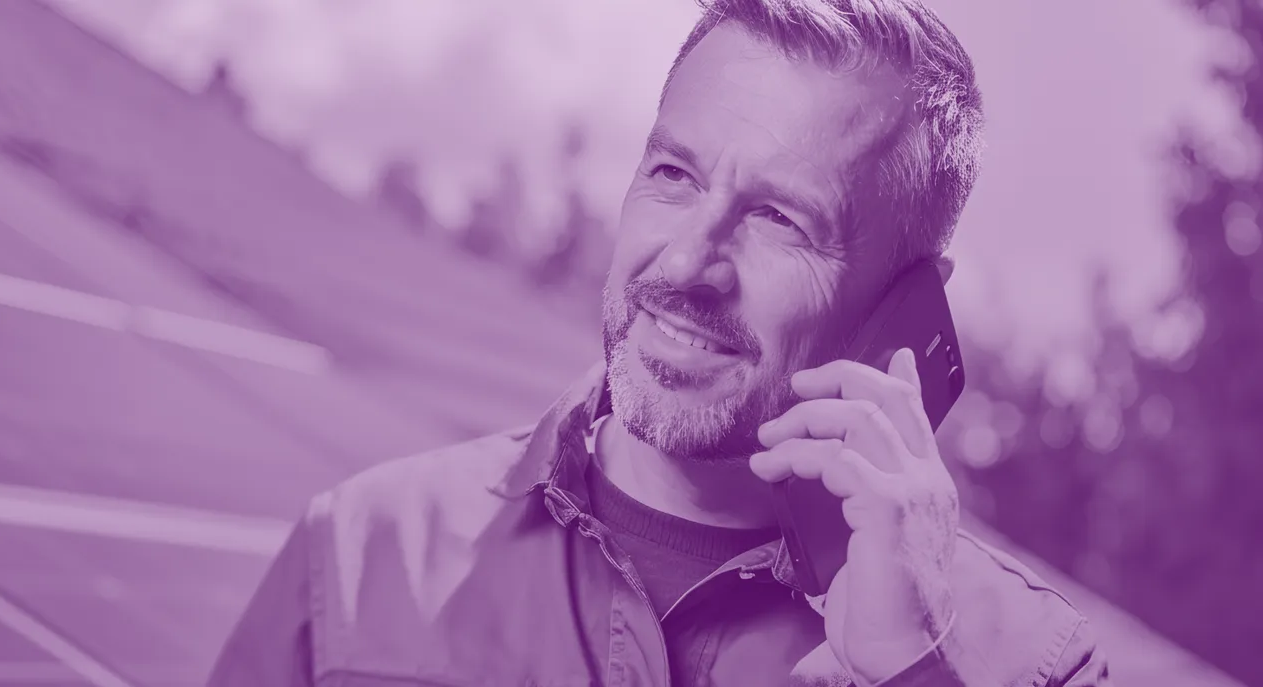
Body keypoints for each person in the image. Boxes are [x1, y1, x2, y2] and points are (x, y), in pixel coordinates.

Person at [207, 1, 1111, 685]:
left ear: (908, 303)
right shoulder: (361, 557)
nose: (686, 262)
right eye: (673, 174)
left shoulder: (1036, 666)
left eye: (780, 219)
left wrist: (911, 669)